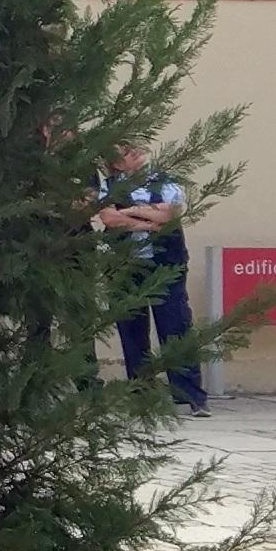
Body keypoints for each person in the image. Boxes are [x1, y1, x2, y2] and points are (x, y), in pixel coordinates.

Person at [96, 144, 211, 415]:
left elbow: (169, 215)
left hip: (166, 264)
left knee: (176, 325)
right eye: (124, 152)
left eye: (133, 148)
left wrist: (128, 212)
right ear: (115, 163)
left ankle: (190, 396)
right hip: (125, 265)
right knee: (132, 329)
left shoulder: (165, 181)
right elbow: (109, 218)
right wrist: (147, 219)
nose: (133, 153)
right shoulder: (108, 186)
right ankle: (141, 395)